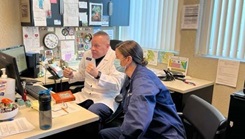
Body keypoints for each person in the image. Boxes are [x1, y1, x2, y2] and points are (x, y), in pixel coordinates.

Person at [98, 40, 186, 139]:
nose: (114, 60)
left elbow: (138, 122)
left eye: (117, 57)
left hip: (162, 133)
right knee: (104, 134)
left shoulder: (142, 82)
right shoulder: (133, 75)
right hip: (149, 127)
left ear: (128, 59)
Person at [63, 31, 126, 125]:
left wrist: (98, 75)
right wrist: (71, 75)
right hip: (85, 94)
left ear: (107, 46)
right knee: (64, 106)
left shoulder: (117, 58)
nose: (92, 49)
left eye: (97, 46)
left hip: (106, 98)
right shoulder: (87, 55)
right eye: (91, 45)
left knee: (92, 112)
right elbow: (82, 74)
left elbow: (117, 84)